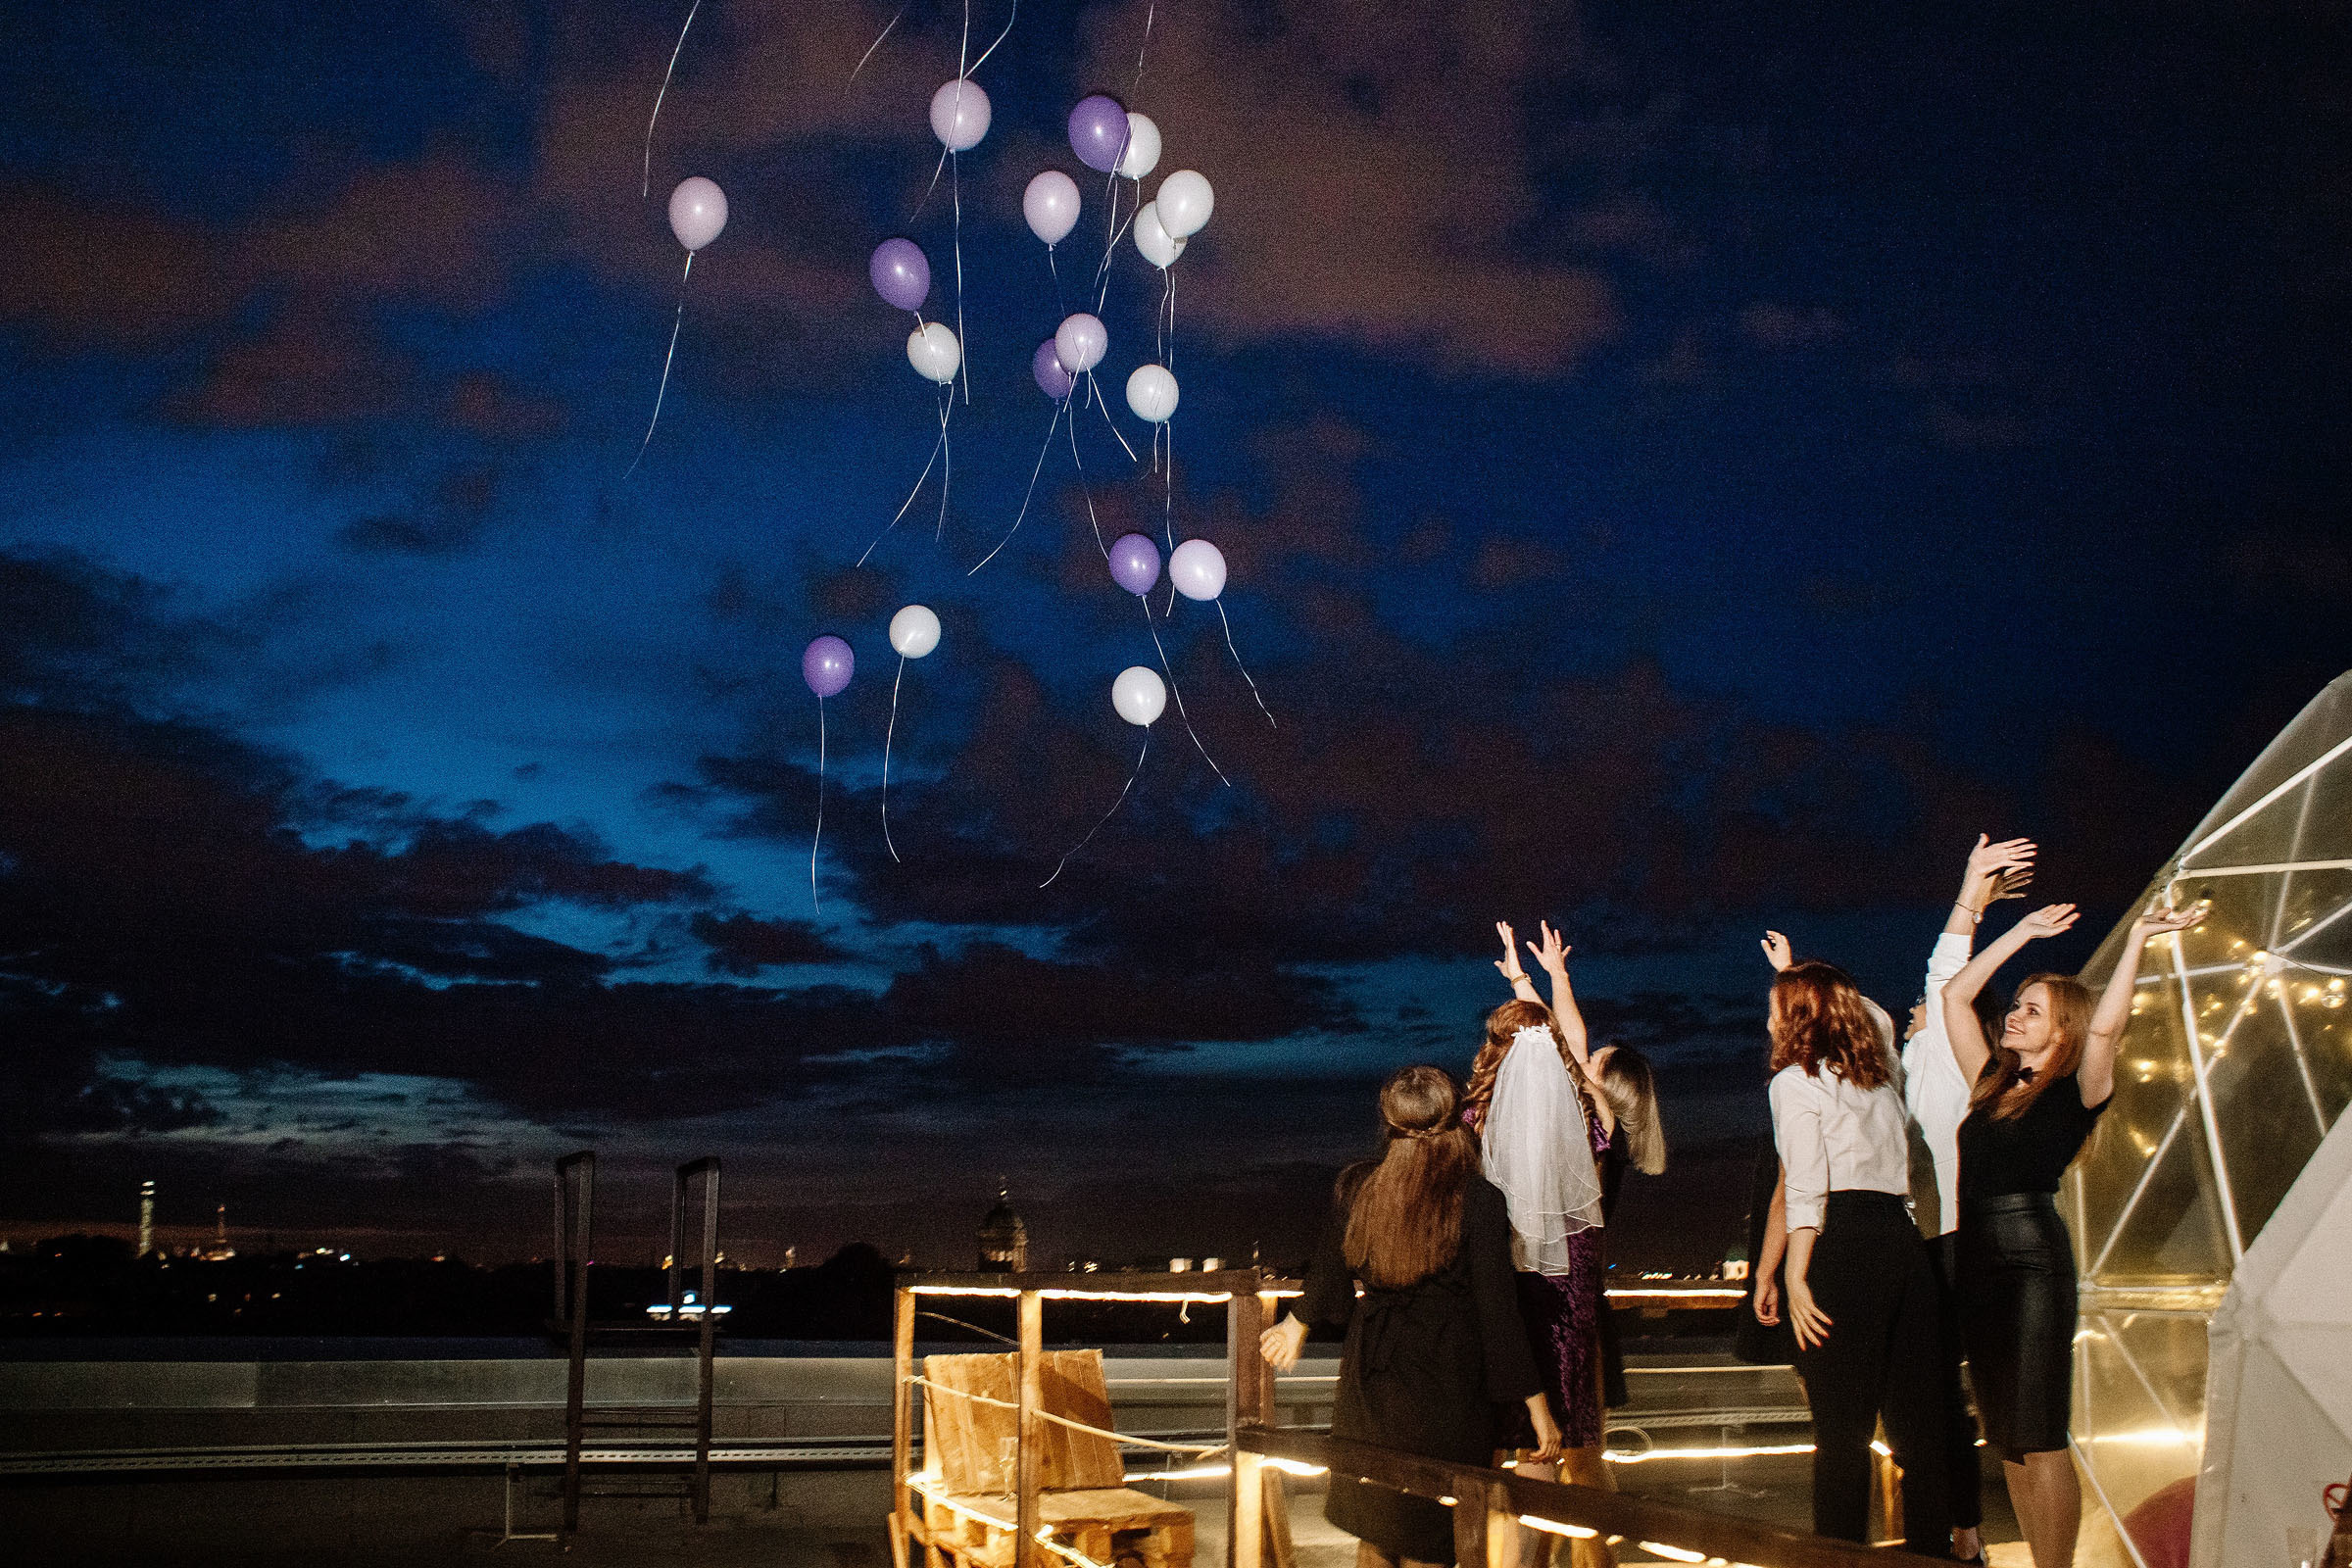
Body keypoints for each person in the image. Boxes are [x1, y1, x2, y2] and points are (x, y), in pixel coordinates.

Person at [1940, 895, 2202, 1568]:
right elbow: (1955, 996)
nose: (2014, 1015)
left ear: (2063, 1030)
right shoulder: (1991, 1083)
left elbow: (2108, 1029)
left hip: (2031, 1257)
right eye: (2017, 1004)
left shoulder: (2079, 1090)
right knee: (2008, 1437)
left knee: (2041, 1432)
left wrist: (2141, 934)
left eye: (2032, 1009)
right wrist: (2021, 931)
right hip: (1975, 1257)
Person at [1261, 1066, 1562, 1568]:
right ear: (1455, 1122)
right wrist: (1537, 1407)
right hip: (1447, 1381)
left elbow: (1330, 1263)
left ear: (1389, 1122)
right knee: (1432, 1535)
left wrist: (1298, 1323)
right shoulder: (1479, 1199)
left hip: (1372, 1376)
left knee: (1376, 1527)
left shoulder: (1360, 1187)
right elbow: (1498, 1313)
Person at [1766, 956, 1953, 1554]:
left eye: (1775, 1007)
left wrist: (1794, 1275)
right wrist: (1808, 976)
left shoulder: (1793, 1083)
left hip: (1838, 1244)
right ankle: (1931, 1557)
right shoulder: (1880, 1077)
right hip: (1901, 1242)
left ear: (1796, 1016)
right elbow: (1868, 1013)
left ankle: (1838, 1560)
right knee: (1920, 1435)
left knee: (1842, 1437)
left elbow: (1805, 1186)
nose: (1767, 1020)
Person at [1897, 833, 2038, 1564]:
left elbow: (1945, 972)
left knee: (1976, 1404)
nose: (1911, 1009)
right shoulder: (1913, 1064)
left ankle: (1970, 1535)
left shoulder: (1955, 1057)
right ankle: (1964, 1533)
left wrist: (1970, 896)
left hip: (1957, 1241)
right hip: (1929, 1241)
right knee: (1944, 1403)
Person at [1481, 923, 1615, 1568]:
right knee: (1562, 1456)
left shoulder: (1478, 1120)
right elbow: (1572, 1047)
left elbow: (1553, 1046)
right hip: (1569, 1313)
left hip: (1508, 1306)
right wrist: (1547, 979)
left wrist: (1523, 981)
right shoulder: (1589, 1117)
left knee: (1517, 1456)